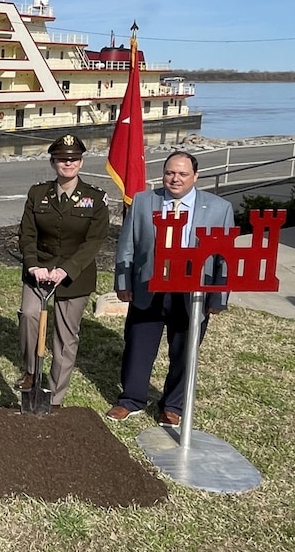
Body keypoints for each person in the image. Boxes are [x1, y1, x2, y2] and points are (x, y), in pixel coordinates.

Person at [107, 151, 234, 426]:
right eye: (169, 173)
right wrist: (123, 282)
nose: (175, 179)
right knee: (138, 347)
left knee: (184, 352)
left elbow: (225, 258)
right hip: (148, 287)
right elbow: (127, 245)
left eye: (182, 174)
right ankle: (131, 400)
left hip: (193, 292)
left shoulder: (218, 208)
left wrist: (219, 296)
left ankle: (173, 405)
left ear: (195, 177)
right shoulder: (143, 201)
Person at [16, 134, 110, 408]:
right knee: (29, 316)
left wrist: (66, 270)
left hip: (75, 274)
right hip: (39, 270)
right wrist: (32, 264)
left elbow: (94, 241)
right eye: (61, 159)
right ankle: (32, 372)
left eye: (73, 159)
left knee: (65, 337)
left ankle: (55, 396)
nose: (67, 164)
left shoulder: (95, 198)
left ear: (80, 163)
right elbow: (27, 233)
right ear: (53, 162)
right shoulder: (38, 193)